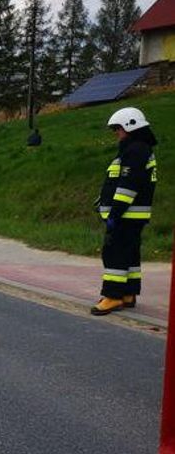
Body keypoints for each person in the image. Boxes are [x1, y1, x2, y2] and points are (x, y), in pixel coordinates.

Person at [91, 107, 158, 316]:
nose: (116, 134)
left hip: (126, 215)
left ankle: (112, 296)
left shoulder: (135, 150)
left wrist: (114, 214)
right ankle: (128, 293)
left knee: (114, 254)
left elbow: (128, 186)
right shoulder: (139, 149)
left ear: (130, 126)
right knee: (130, 254)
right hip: (132, 216)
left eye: (118, 129)